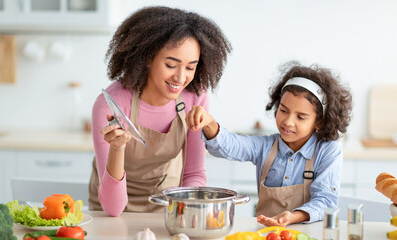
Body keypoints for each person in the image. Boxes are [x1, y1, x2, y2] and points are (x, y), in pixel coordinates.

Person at [88, 6, 231, 216]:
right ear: (147, 58)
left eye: (190, 67)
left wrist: (189, 212)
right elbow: (113, 207)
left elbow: (194, 173)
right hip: (111, 209)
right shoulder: (111, 105)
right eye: (171, 65)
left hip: (169, 203)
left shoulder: (195, 96)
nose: (181, 78)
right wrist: (117, 148)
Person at [186, 62, 352, 226]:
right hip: (267, 234)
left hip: (309, 235)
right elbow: (233, 145)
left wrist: (293, 217)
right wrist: (209, 123)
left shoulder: (328, 150)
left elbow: (325, 200)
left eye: (300, 117)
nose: (288, 122)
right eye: (283, 110)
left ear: (319, 122)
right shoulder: (265, 146)